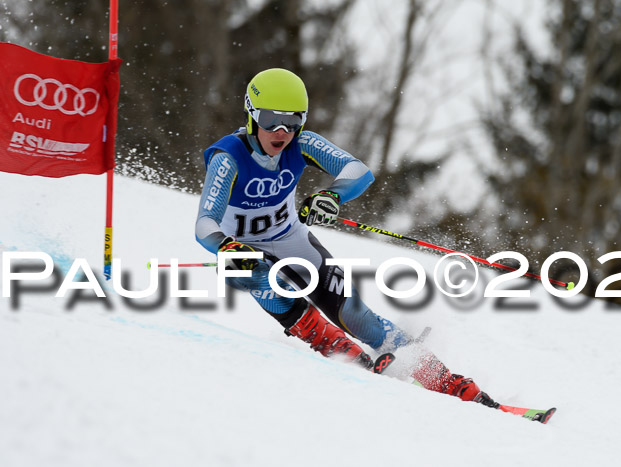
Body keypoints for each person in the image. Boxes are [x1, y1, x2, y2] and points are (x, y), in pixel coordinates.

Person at [195, 68, 497, 407]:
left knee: (355, 314)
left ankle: (445, 380)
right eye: (270, 121)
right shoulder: (229, 158)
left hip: (291, 238)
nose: (282, 132)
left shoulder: (302, 144)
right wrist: (225, 244)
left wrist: (332, 196)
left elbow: (358, 171)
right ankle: (341, 349)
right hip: (246, 251)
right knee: (247, 269)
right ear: (251, 113)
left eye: (293, 122)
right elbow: (205, 223)